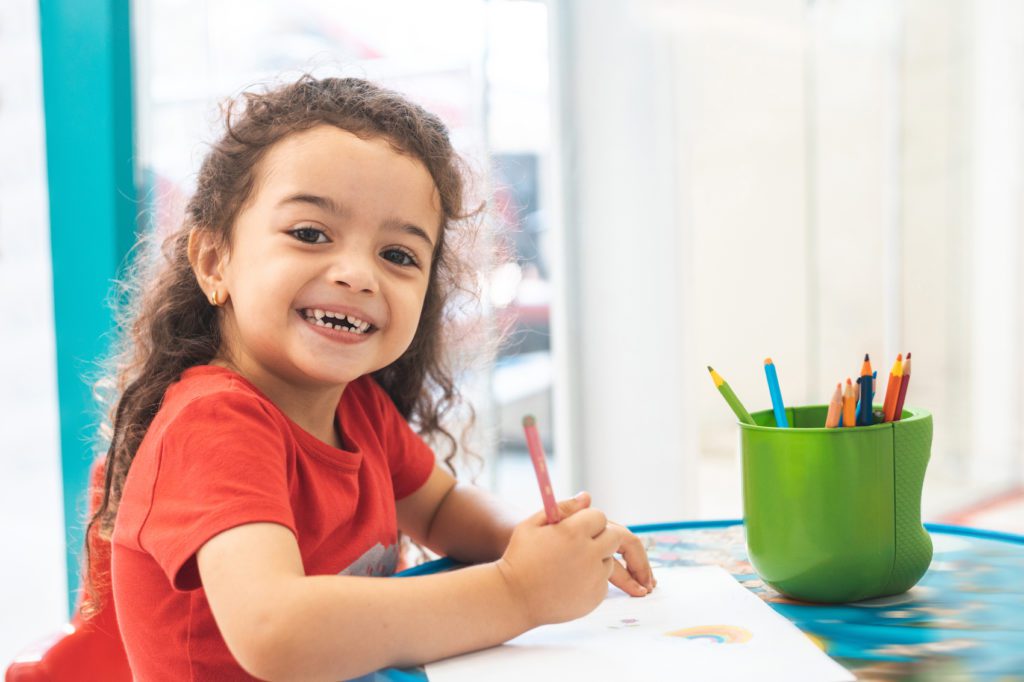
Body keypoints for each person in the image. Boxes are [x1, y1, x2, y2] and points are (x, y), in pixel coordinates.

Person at [84, 76, 655, 681]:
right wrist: (518, 592)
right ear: (213, 262)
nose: (357, 274)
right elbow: (277, 632)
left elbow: (439, 509)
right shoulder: (214, 424)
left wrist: (544, 546)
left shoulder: (358, 407)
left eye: (399, 255)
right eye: (310, 234)